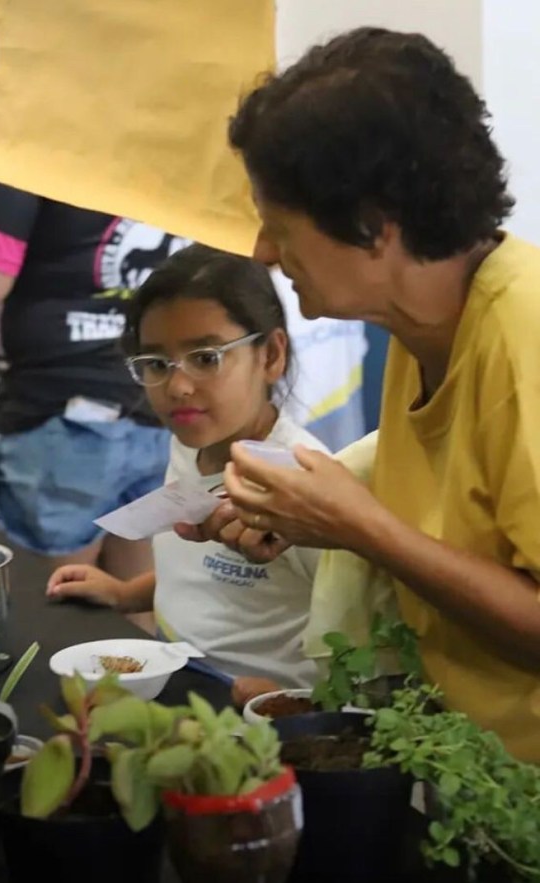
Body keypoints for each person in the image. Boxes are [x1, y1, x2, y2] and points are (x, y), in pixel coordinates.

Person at [198, 27, 540, 761]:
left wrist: (360, 526)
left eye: (279, 224)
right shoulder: (425, 322)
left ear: (373, 229)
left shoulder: (525, 338)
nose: (262, 251)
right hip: (457, 755)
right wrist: (303, 507)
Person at [0, 127, 185, 589]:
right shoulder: (171, 117)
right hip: (160, 404)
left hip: (62, 420)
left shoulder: (31, 126)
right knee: (132, 609)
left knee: (54, 615)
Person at [46, 244, 325, 688]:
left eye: (206, 358)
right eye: (156, 364)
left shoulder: (303, 480)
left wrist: (301, 698)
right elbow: (200, 574)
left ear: (270, 355)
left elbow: (359, 630)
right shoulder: (192, 444)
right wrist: (125, 593)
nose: (177, 386)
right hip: (180, 678)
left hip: (260, 720)